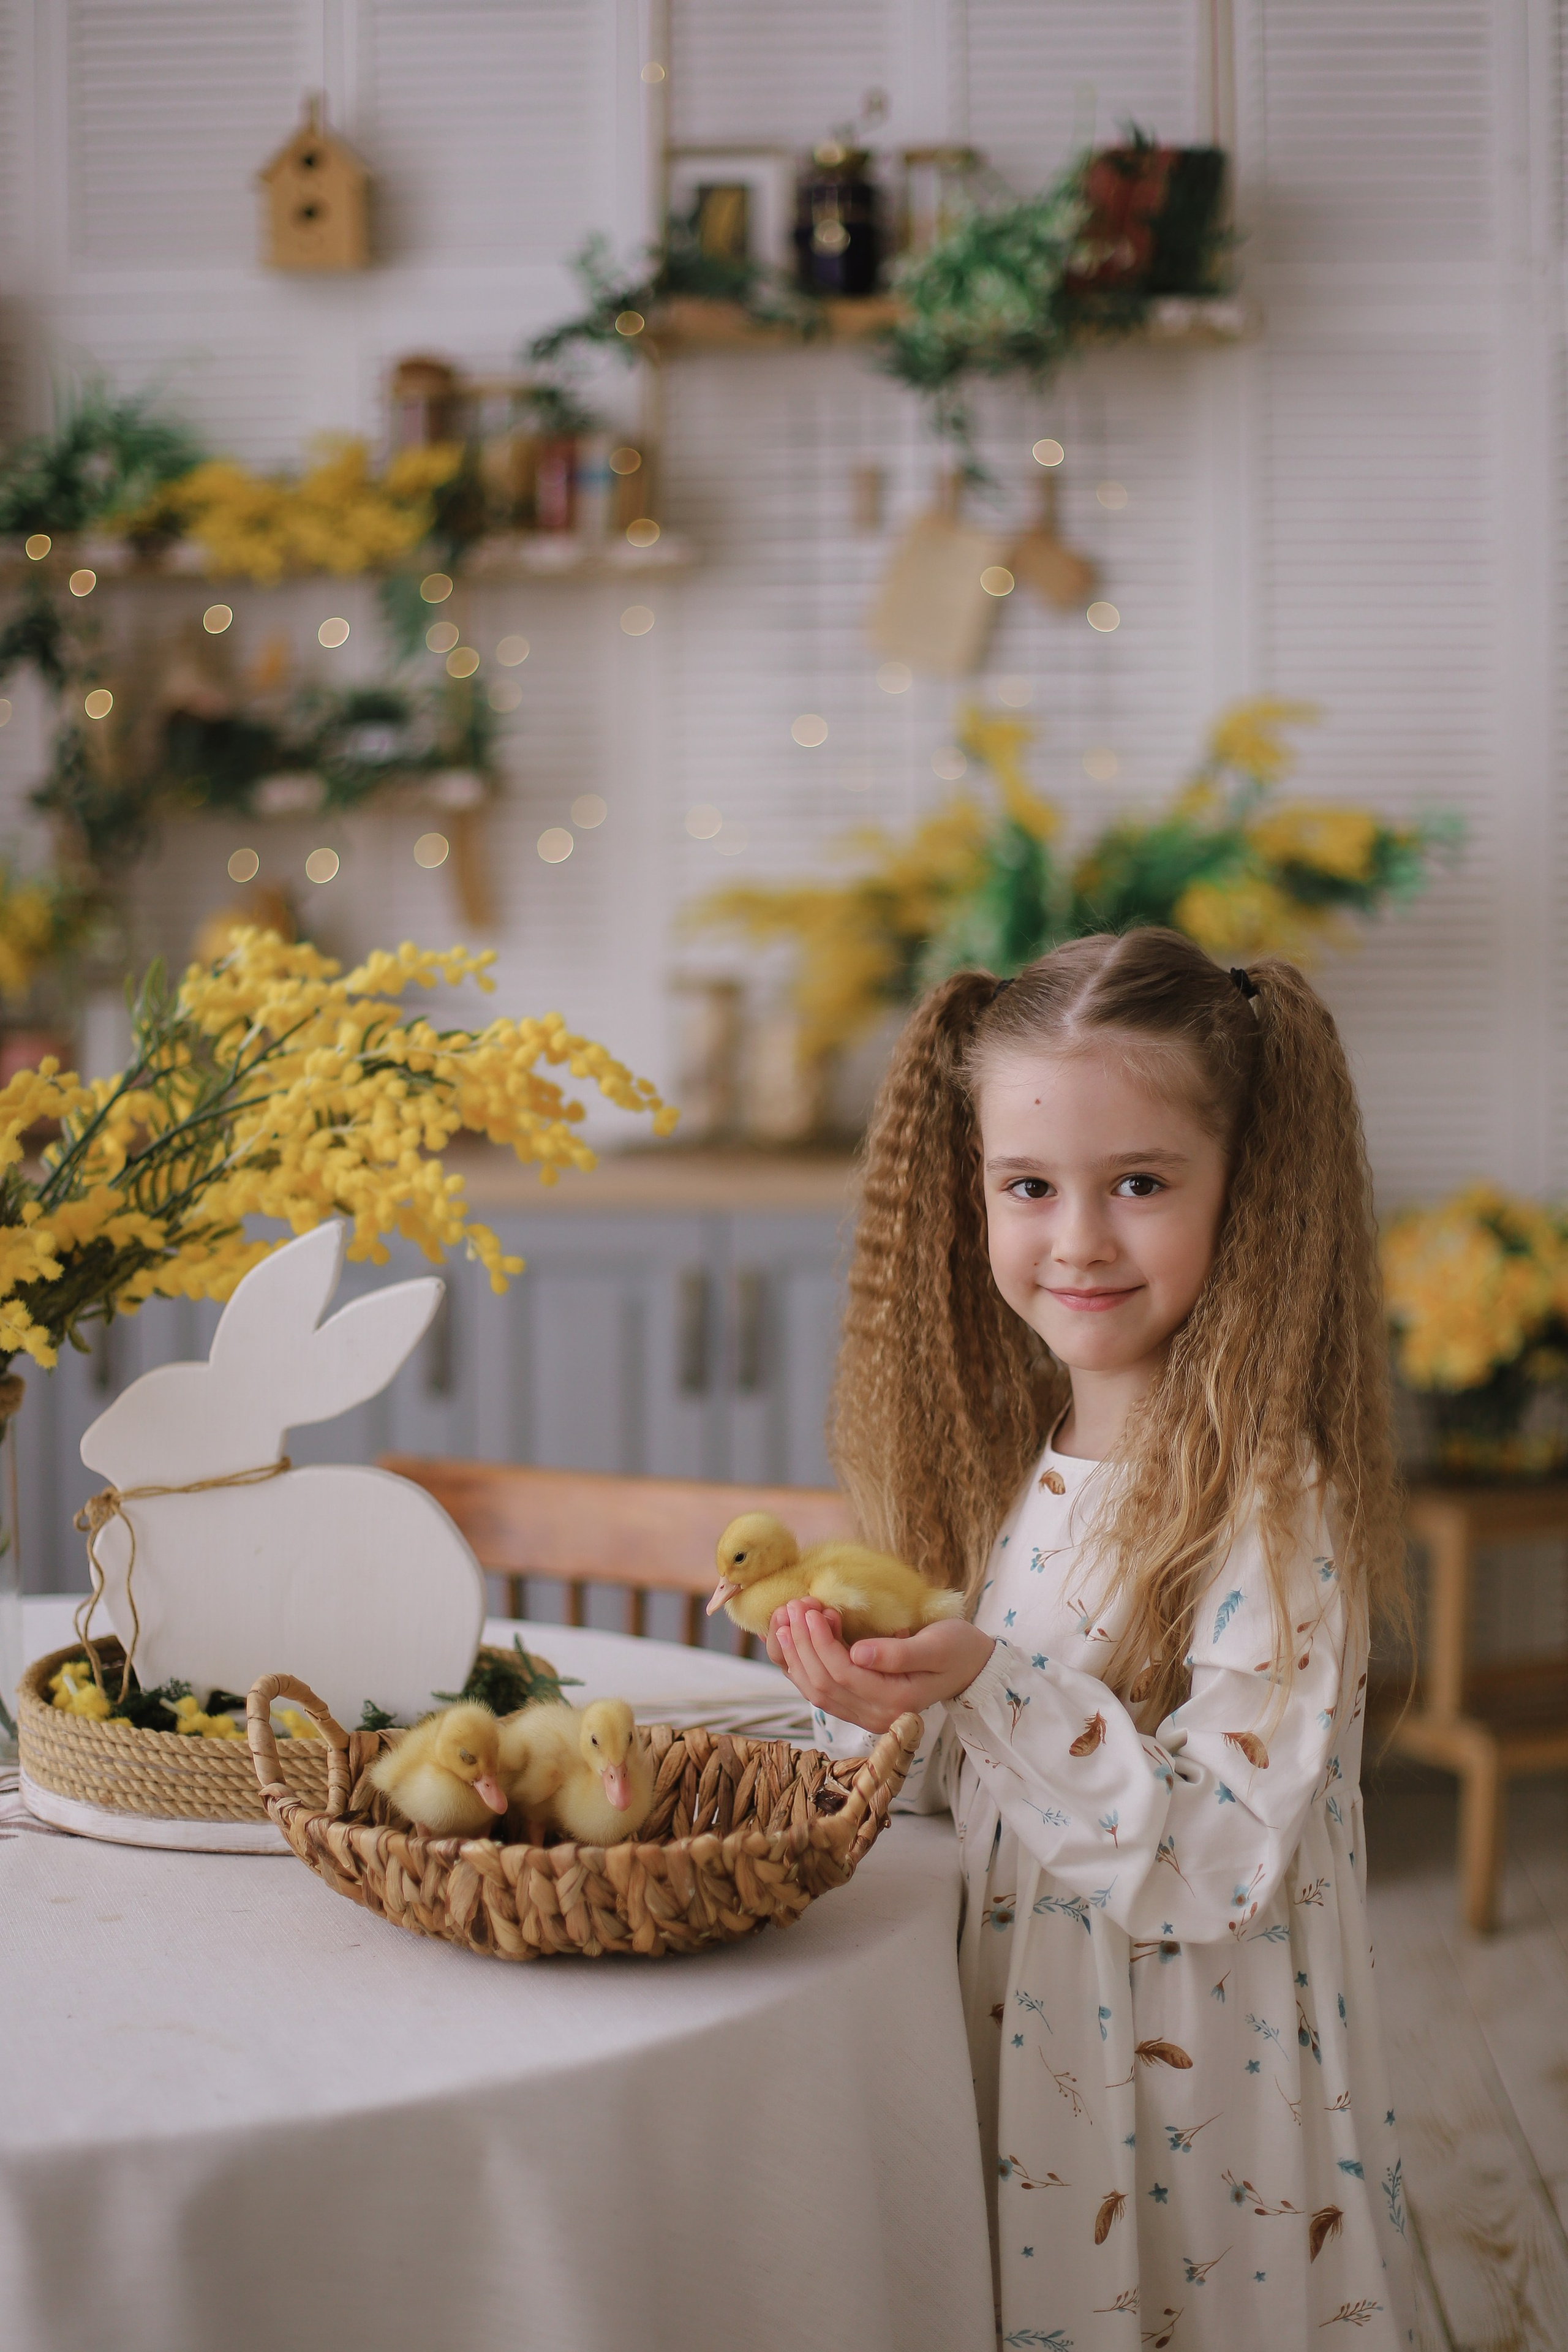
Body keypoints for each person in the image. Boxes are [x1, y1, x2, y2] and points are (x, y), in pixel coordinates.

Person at [769, 930, 1415, 2350]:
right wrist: (884, 1700)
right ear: (973, 1192)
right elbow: (998, 1779)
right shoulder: (1032, 1458)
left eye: (1137, 1183)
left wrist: (983, 1682)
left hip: (1190, 2081)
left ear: (1244, 1187)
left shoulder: (1268, 1496)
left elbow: (1218, 1852)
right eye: (1028, 1186)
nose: (1075, 1240)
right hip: (1047, 2044)